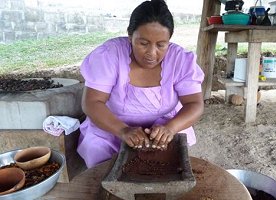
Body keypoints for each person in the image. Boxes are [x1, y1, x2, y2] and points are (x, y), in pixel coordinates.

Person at [77, 0, 205, 168]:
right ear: (130, 36)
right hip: (112, 126)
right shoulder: (109, 55)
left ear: (169, 40)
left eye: (161, 45)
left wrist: (170, 128)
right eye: (143, 43)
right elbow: (92, 103)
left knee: (169, 166)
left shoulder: (180, 60)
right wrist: (123, 130)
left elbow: (195, 104)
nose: (151, 53)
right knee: (101, 162)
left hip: (163, 128)